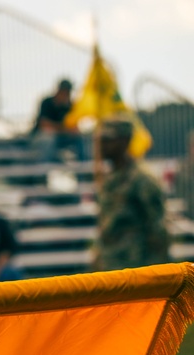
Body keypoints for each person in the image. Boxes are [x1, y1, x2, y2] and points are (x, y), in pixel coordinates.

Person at [92, 117, 170, 271]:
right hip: (111, 265)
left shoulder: (142, 179)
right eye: (101, 140)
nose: (102, 145)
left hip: (136, 267)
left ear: (125, 141)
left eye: (109, 140)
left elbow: (157, 230)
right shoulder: (110, 178)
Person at [31, 79, 84, 162]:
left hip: (61, 138)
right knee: (47, 139)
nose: (66, 94)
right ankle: (44, 169)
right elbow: (44, 125)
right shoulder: (47, 102)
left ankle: (84, 169)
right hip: (40, 138)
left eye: (68, 92)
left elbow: (74, 127)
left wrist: (68, 129)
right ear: (59, 91)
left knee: (80, 137)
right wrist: (64, 129)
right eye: (64, 91)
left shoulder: (69, 106)